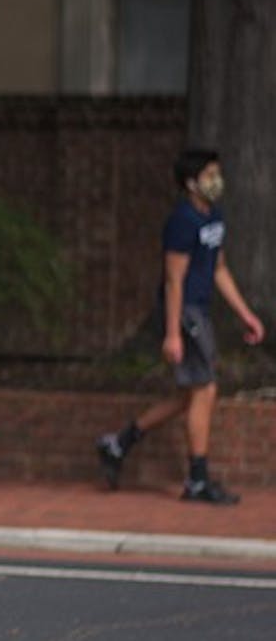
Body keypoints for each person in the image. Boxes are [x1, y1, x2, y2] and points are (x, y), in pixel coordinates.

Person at [95, 148, 265, 504]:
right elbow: (174, 280)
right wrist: (173, 333)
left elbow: (219, 269)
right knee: (205, 389)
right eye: (209, 175)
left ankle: (118, 443)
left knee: (190, 395)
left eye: (217, 173)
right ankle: (197, 480)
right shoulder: (182, 222)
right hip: (186, 312)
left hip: (200, 308)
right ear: (190, 183)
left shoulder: (214, 217)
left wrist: (245, 314)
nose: (216, 181)